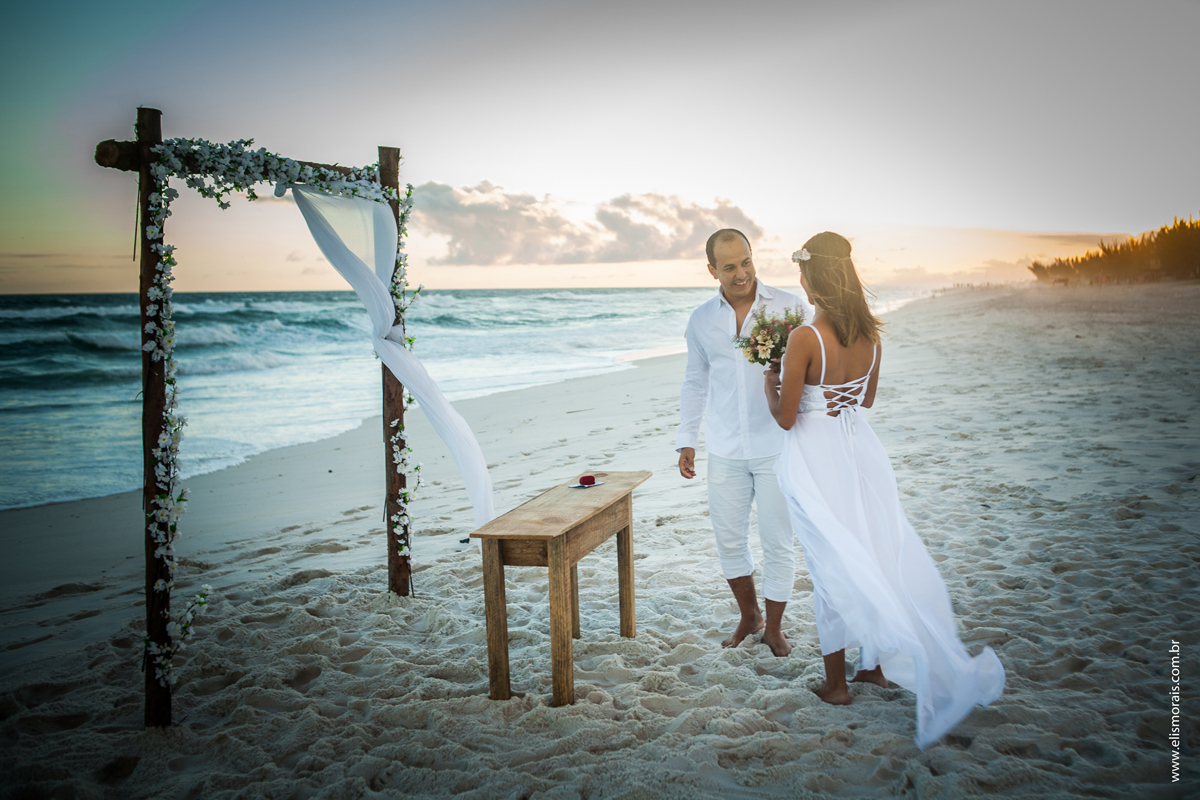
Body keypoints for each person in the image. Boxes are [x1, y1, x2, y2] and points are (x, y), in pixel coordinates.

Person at [764, 231, 1005, 747]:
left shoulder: (805, 339)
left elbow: (786, 420)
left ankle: (835, 685)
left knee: (830, 563)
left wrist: (772, 386)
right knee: (872, 550)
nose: (799, 281)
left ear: (817, 276)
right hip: (861, 453)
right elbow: (865, 401)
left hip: (816, 458)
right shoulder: (872, 336)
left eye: (802, 271)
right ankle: (871, 668)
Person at [676, 228, 811, 657]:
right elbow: (695, 381)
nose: (741, 274)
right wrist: (687, 440)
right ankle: (748, 615)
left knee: (777, 541)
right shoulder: (701, 320)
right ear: (712, 269)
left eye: (746, 262)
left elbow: (814, 371)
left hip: (778, 444)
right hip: (725, 447)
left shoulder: (790, 307)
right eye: (729, 266)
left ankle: (774, 627)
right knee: (729, 539)